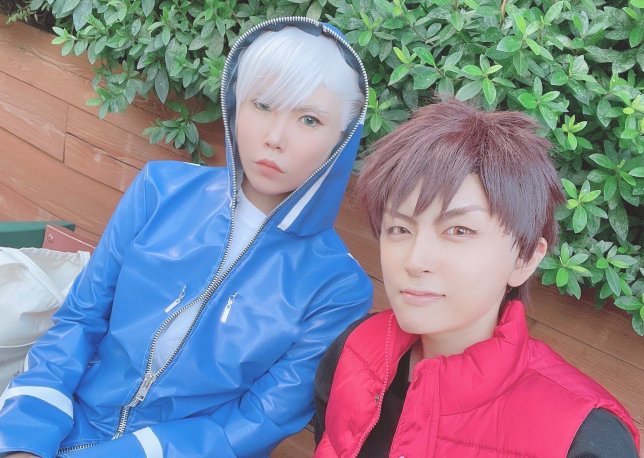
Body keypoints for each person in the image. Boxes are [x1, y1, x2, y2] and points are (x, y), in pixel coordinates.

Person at [0, 17, 372, 458]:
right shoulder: (160, 190)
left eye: (309, 119)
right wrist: (24, 438)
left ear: (341, 139)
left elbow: (260, 419)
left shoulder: (338, 287)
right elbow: (79, 319)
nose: (275, 138)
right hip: (67, 422)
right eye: (262, 105)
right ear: (235, 104)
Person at [313, 98, 641, 457]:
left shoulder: (585, 436)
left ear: (525, 258)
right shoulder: (355, 348)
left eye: (459, 230)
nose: (415, 261)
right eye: (399, 229)